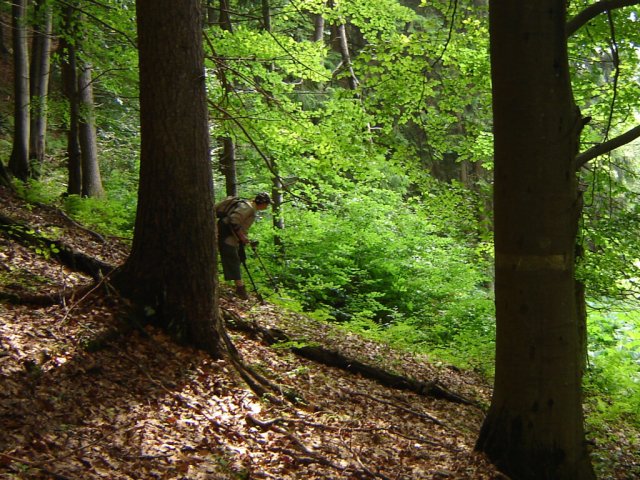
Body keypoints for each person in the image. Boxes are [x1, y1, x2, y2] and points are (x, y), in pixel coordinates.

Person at [215, 192, 271, 299]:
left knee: (238, 258)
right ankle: (240, 289)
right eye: (267, 204)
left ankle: (240, 288)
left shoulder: (250, 207)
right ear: (262, 203)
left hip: (231, 235)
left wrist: (243, 237)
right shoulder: (248, 207)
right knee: (233, 260)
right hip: (228, 235)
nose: (267, 206)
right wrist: (242, 237)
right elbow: (234, 220)